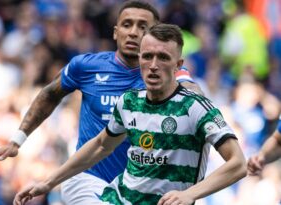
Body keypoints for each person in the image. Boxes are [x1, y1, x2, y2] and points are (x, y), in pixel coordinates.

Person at [0, 1, 200, 204]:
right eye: (127, 25)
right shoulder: (86, 66)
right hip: (86, 177)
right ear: (116, 32)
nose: (134, 32)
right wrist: (17, 140)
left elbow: (194, 97)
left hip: (137, 186)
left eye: (143, 27)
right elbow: (50, 94)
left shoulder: (166, 75)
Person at [13, 23, 247, 205]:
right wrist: (48, 182)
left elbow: (238, 164)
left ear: (178, 65)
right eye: (147, 56)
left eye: (163, 57)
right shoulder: (129, 102)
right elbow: (100, 146)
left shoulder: (196, 107)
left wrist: (189, 195)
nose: (153, 65)